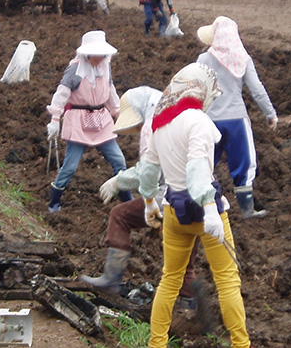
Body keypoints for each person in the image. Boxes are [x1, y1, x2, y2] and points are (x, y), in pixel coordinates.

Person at [138, 62, 251, 347]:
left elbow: (148, 171)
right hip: (205, 211)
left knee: (170, 279)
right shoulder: (198, 121)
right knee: (227, 280)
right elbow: (198, 168)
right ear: (200, 89)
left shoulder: (160, 123)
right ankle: (241, 344)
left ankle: (156, 343)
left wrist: (149, 202)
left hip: (173, 212)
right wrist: (211, 210)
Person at [81, 86, 201, 308]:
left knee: (120, 215)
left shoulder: (153, 125)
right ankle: (190, 307)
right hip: (201, 196)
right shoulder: (180, 116)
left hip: (172, 198)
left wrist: (118, 181)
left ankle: (111, 279)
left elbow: (148, 171)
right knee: (185, 255)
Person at [197, 16, 278, 220]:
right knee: (244, 163)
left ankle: (200, 206)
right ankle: (247, 210)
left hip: (209, 120)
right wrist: (270, 114)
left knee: (204, 163)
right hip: (236, 120)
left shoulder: (204, 59)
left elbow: (195, 88)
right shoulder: (243, 59)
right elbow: (257, 90)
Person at [46, 30, 132, 212]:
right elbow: (62, 93)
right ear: (86, 53)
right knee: (70, 166)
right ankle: (54, 203)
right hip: (78, 120)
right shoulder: (75, 70)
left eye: (102, 55)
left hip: (101, 119)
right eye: (95, 54)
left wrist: (118, 113)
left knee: (119, 160)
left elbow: (110, 91)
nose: (99, 58)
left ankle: (127, 201)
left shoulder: (105, 68)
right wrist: (55, 118)